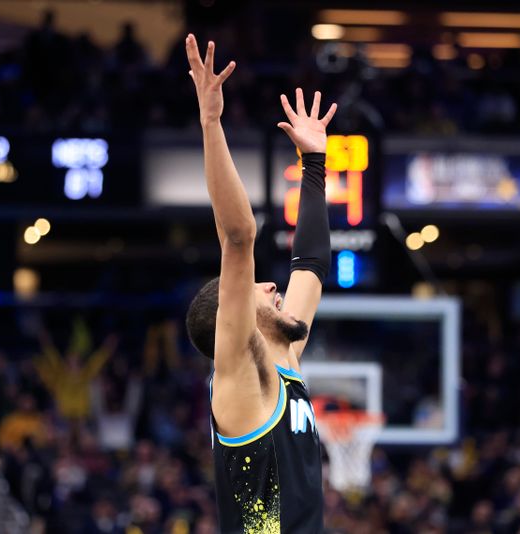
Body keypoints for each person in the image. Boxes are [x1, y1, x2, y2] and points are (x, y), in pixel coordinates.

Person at [183, 33, 336, 534]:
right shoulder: (241, 373)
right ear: (237, 316)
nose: (273, 286)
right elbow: (238, 235)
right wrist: (211, 123)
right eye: (259, 290)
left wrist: (314, 164)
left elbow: (309, 265)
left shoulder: (286, 359)